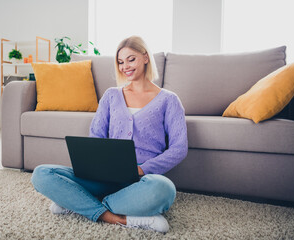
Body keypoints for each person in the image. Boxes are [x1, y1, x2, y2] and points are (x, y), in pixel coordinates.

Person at [31, 36, 188, 233]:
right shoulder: (111, 95)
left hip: (140, 182)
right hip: (100, 177)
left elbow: (179, 148)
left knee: (164, 190)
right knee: (42, 174)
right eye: (120, 62)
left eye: (131, 59)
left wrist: (141, 169)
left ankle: (79, 204)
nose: (125, 67)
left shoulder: (169, 100)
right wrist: (95, 166)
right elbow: (96, 135)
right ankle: (116, 217)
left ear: (146, 57)